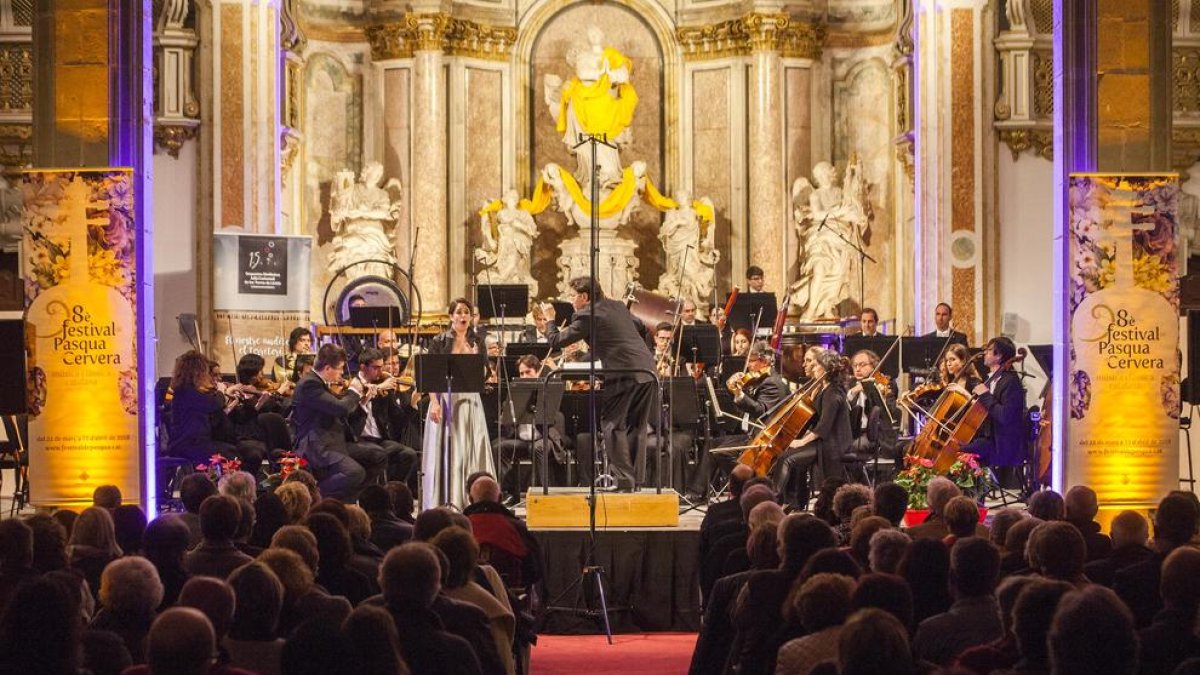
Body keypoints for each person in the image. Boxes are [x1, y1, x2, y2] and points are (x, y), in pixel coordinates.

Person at [547, 277, 656, 492]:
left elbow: (556, 342)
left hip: (623, 373)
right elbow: (640, 327)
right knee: (636, 426)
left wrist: (551, 320)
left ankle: (625, 481)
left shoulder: (587, 314)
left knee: (612, 425)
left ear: (584, 297)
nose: (571, 300)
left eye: (572, 296)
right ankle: (635, 482)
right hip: (647, 369)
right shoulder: (616, 306)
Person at [687, 341, 789, 500]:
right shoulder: (761, 380)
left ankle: (750, 483)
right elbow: (745, 408)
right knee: (713, 444)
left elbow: (761, 411)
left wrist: (740, 394)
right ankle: (697, 493)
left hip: (761, 439)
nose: (748, 365)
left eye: (752, 360)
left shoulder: (772, 383)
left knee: (721, 453)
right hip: (751, 435)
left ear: (764, 361)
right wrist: (735, 390)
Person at [422, 297, 497, 509]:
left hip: (470, 400)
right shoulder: (439, 341)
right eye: (459, 312)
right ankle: (445, 498)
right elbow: (431, 375)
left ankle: (473, 498)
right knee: (448, 448)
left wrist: (477, 361)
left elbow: (485, 375)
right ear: (451, 316)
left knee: (469, 446)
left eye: (467, 312)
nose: (463, 316)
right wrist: (435, 403)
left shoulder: (477, 341)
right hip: (445, 398)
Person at [292, 344, 387, 502]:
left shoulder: (320, 383)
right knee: (355, 472)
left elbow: (343, 412)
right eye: (341, 368)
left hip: (334, 441)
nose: (342, 373)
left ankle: (353, 500)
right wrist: (355, 391)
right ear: (328, 368)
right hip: (316, 446)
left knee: (378, 456)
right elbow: (340, 408)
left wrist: (362, 401)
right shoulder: (309, 385)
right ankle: (315, 496)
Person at [772, 347, 851, 510]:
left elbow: (823, 427)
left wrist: (801, 442)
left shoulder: (833, 393)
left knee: (786, 459)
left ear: (826, 368)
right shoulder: (825, 389)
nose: (813, 368)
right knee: (786, 455)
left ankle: (776, 500)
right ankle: (794, 501)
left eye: (816, 365)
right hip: (823, 441)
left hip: (831, 445)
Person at [167, 350, 266, 478]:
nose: (206, 376)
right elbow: (212, 403)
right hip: (189, 444)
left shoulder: (193, 390)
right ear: (196, 372)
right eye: (204, 372)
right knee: (234, 456)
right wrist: (224, 392)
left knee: (248, 451)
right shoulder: (185, 391)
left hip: (201, 441)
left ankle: (237, 487)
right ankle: (231, 488)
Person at [348, 348, 420, 485]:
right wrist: (379, 387)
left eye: (381, 367)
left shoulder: (384, 384)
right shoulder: (352, 384)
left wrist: (412, 404)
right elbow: (351, 411)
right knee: (378, 454)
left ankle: (392, 491)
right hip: (358, 440)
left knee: (408, 454)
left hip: (379, 440)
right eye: (376, 368)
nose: (381, 372)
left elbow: (398, 420)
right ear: (363, 367)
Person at [965, 336, 1028, 470]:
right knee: (959, 444)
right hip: (988, 438)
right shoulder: (992, 379)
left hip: (1001, 444)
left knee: (959, 450)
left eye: (989, 350)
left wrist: (985, 395)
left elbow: (1005, 416)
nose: (985, 353)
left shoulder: (1010, 381)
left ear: (998, 356)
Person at [846, 349, 899, 461]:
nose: (857, 369)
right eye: (855, 365)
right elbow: (844, 409)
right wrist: (853, 392)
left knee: (850, 447)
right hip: (852, 432)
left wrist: (881, 394)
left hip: (875, 435)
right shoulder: (849, 384)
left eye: (862, 365)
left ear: (874, 366)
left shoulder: (885, 383)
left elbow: (891, 413)